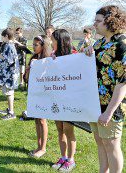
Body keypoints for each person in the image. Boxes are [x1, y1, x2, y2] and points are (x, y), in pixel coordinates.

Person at [84, 5, 126, 173]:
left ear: (111, 21)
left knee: (112, 143)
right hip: (95, 103)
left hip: (112, 106)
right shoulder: (100, 43)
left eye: (98, 21)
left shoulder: (122, 45)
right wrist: (86, 51)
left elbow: (123, 83)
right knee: (100, 141)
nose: (95, 24)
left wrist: (109, 112)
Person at [50, 29, 77, 171]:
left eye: (53, 40)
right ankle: (63, 157)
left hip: (69, 99)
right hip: (57, 97)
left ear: (60, 41)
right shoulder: (53, 55)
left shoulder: (74, 55)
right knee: (60, 129)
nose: (50, 42)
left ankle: (71, 160)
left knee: (68, 129)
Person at [25, 35, 52, 158]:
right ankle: (38, 145)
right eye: (33, 44)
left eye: (36, 45)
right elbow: (26, 78)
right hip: (33, 92)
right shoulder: (33, 58)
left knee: (42, 120)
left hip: (44, 93)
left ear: (43, 46)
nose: (33, 46)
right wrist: (29, 70)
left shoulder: (48, 59)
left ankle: (43, 148)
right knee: (36, 119)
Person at [0, 28, 19, 120]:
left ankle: (11, 113)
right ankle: (9, 109)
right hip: (8, 73)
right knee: (8, 92)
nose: (2, 38)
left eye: (3, 37)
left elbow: (9, 60)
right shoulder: (8, 45)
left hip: (10, 74)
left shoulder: (10, 46)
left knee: (9, 93)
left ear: (6, 36)